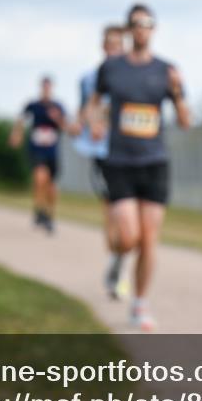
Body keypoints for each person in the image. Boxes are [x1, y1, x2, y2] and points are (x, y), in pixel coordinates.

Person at [85, 4, 190, 330]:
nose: (142, 28)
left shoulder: (167, 70)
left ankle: (140, 304)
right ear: (128, 30)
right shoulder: (112, 68)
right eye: (136, 24)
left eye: (147, 23)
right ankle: (118, 255)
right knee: (129, 237)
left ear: (154, 29)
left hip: (154, 161)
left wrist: (176, 92)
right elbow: (94, 103)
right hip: (120, 162)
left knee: (149, 239)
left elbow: (186, 121)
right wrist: (96, 122)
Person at [75, 25, 127, 295]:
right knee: (112, 212)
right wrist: (91, 121)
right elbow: (84, 111)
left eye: (120, 45)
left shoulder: (133, 77)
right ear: (104, 48)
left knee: (130, 215)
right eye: (111, 45)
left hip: (131, 153)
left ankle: (122, 258)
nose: (115, 50)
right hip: (103, 154)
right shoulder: (89, 79)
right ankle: (115, 260)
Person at [10, 76, 72, 234]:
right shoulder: (33, 105)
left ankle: (49, 214)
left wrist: (57, 119)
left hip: (52, 150)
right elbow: (21, 119)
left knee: (51, 186)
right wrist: (17, 134)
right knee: (39, 178)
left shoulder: (58, 106)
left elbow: (67, 127)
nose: (46, 90)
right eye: (43, 87)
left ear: (51, 88)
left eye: (48, 87)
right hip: (36, 149)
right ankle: (39, 210)